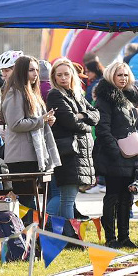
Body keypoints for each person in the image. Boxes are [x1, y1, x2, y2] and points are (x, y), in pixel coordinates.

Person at [1, 55, 59, 212]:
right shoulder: (15, 93)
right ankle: (29, 233)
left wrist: (47, 121)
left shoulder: (31, 93)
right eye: (31, 70)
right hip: (20, 157)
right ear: (21, 72)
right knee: (27, 201)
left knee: (30, 199)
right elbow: (15, 124)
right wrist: (41, 120)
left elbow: (35, 121)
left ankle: (32, 233)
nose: (36, 74)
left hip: (32, 155)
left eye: (37, 70)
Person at [92, 60, 138, 248]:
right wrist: (115, 151)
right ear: (111, 75)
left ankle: (125, 236)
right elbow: (103, 128)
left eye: (126, 75)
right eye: (119, 75)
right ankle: (111, 238)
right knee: (112, 196)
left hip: (129, 154)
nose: (123, 78)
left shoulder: (128, 97)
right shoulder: (105, 97)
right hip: (113, 155)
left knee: (126, 197)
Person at [45, 58, 99, 220]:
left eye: (66, 74)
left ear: (72, 76)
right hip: (68, 152)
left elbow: (96, 115)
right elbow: (71, 122)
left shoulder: (76, 94)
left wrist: (82, 115)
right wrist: (87, 126)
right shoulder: (55, 94)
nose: (63, 78)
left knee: (67, 198)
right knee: (67, 198)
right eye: (59, 75)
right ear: (54, 77)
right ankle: (65, 235)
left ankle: (55, 231)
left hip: (77, 152)